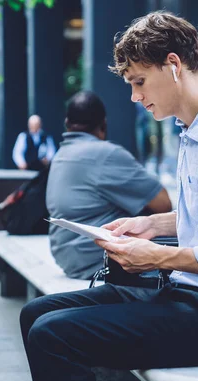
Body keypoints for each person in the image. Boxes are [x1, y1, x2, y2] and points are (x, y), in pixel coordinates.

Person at [20, 12, 198, 381]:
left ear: (173, 65)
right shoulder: (196, 131)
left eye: (139, 82)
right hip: (189, 296)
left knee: (52, 335)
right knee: (35, 314)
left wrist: (156, 258)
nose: (135, 97)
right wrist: (152, 226)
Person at [46, 90, 172, 279]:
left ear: (67, 124)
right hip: (95, 258)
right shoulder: (107, 154)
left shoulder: (60, 155)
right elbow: (163, 203)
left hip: (64, 254)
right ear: (103, 124)